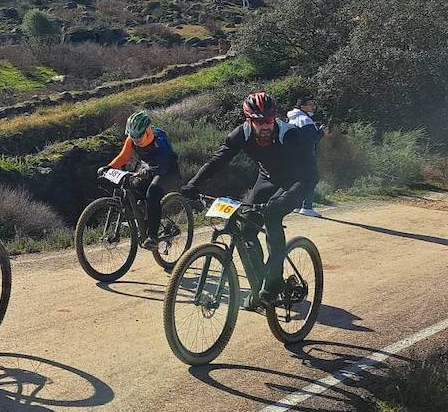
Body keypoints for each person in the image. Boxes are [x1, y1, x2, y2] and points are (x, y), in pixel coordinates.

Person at [180, 91, 316, 306]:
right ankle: (260, 285)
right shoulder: (241, 134)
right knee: (245, 230)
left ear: (274, 118)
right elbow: (218, 160)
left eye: (269, 120)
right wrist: (193, 184)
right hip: (268, 178)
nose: (265, 126)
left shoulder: (289, 135)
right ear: (249, 120)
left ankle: (273, 281)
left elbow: (310, 173)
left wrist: (285, 200)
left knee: (272, 214)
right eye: (259, 121)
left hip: (298, 181)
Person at [100, 110, 180, 248]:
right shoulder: (131, 140)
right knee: (133, 186)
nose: (136, 139)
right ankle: (143, 220)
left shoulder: (159, 140)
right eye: (133, 136)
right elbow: (123, 157)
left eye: (138, 136)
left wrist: (148, 171)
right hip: (147, 169)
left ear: (147, 131)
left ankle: (153, 236)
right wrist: (108, 167)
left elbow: (165, 164)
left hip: (168, 172)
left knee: (153, 193)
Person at [286, 97, 325, 217]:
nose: (313, 106)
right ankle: (307, 206)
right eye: (310, 104)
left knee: (300, 180)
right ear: (302, 107)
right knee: (312, 178)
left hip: (294, 155)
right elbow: (312, 138)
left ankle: (297, 205)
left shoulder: (293, 119)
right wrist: (322, 132)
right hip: (305, 155)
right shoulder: (305, 119)